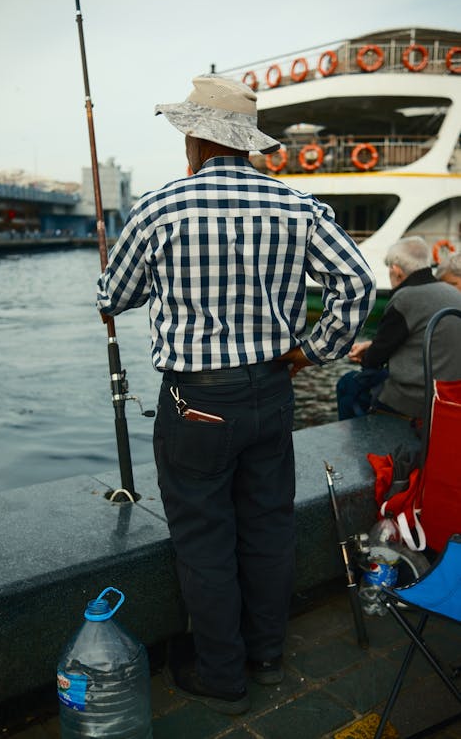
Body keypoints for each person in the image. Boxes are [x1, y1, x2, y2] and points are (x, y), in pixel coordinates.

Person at [96, 75, 375, 715]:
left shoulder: (159, 207)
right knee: (269, 528)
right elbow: (357, 285)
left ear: (196, 137)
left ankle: (223, 675)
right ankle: (268, 657)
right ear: (244, 143)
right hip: (271, 392)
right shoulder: (297, 206)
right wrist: (311, 352)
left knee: (204, 537)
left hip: (195, 402)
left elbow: (114, 300)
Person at [341, 236, 461, 421]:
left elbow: (375, 358)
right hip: (449, 395)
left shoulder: (405, 297)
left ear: (396, 271)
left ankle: (360, 441)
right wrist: (373, 346)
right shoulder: (452, 293)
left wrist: (366, 354)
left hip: (414, 399)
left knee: (349, 383)